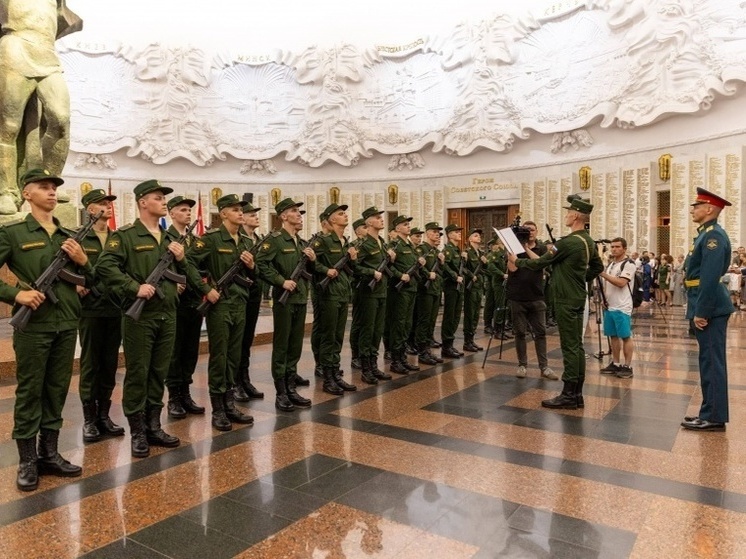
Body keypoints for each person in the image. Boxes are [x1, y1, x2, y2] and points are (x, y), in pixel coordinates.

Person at [0, 168, 91, 491]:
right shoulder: (13, 233)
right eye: (44, 187)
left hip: (67, 323)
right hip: (34, 326)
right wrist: (17, 294)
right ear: (27, 193)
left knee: (56, 390)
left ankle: (49, 453)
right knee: (30, 393)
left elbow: (92, 280)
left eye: (54, 188)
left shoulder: (68, 236)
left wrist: (83, 260)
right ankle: (27, 460)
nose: (52, 192)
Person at [96, 179, 185, 458]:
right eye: (158, 197)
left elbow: (187, 271)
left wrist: (182, 259)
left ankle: (154, 426)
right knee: (138, 373)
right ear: (143, 202)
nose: (163, 202)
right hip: (140, 316)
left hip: (167, 314)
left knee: (159, 371)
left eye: (164, 198)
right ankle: (137, 431)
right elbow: (105, 267)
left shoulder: (170, 238)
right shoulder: (124, 236)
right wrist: (134, 287)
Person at [508, 196, 603, 410]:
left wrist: (517, 260)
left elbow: (542, 262)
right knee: (576, 346)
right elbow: (597, 267)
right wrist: (579, 280)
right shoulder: (587, 241)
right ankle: (576, 393)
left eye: (569, 212)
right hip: (577, 296)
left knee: (569, 347)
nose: (566, 215)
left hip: (565, 299)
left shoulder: (568, 242)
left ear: (576, 215)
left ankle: (569, 395)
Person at [0, 0, 82, 214]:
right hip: (15, 47)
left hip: (47, 54)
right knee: (9, 125)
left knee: (60, 118)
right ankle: (7, 192)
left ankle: (47, 180)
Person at [186, 193, 255, 430]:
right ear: (223, 213)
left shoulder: (246, 242)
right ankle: (218, 409)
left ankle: (230, 404)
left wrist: (252, 267)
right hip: (220, 305)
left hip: (240, 303)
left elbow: (253, 277)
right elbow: (188, 263)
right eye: (235, 209)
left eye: (241, 210)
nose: (240, 213)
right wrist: (206, 288)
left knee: (234, 356)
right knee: (220, 356)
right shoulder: (212, 239)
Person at [255, 198, 315, 411]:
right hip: (284, 300)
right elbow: (261, 263)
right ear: (282, 216)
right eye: (294, 211)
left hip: (299, 298)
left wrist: (312, 259)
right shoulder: (276, 240)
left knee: (295, 345)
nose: (299, 215)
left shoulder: (300, 242)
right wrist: (281, 281)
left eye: (299, 212)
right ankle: (281, 393)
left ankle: (291, 388)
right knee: (282, 346)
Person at [681, 188, 733, 431]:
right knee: (707, 360)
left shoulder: (714, 237)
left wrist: (701, 311)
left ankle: (714, 416)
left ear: (709, 209)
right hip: (703, 302)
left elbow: (710, 278)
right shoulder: (705, 235)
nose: (693, 209)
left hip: (710, 307)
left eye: (697, 205)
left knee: (712, 361)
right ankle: (709, 410)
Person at [77, 187, 125, 443]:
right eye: (101, 203)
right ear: (90, 209)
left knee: (109, 364)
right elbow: (65, 267)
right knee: (90, 363)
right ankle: (89, 418)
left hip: (115, 307)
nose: (107, 206)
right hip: (91, 309)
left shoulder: (119, 238)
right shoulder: (80, 237)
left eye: (109, 202)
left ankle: (104, 415)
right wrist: (76, 284)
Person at [164, 195, 205, 419]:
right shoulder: (166, 237)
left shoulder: (195, 241)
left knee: (190, 349)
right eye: (182, 210)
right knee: (175, 350)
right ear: (171, 213)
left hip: (193, 301)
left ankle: (186, 392)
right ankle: (173, 397)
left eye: (189, 210)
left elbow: (201, 268)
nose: (188, 213)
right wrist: (173, 283)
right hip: (175, 302)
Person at [312, 203, 358, 394]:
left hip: (342, 293)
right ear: (331, 219)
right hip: (328, 294)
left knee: (338, 336)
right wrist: (325, 270)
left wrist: (353, 260)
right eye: (340, 214)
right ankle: (328, 378)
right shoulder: (322, 241)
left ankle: (336, 374)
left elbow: (351, 272)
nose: (345, 216)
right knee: (328, 336)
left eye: (345, 213)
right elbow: (311, 265)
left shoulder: (346, 243)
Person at [505, 220, 557, 380]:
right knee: (520, 333)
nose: (529, 232)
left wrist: (526, 248)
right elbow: (512, 268)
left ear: (537, 231)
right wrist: (512, 251)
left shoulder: (542, 248)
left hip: (536, 296)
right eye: (526, 230)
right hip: (517, 296)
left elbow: (540, 265)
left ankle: (544, 366)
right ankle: (522, 365)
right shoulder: (514, 248)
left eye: (532, 230)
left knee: (540, 332)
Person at [353, 207, 394, 385]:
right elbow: (355, 267)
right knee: (367, 330)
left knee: (377, 330)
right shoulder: (363, 245)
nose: (381, 220)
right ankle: (365, 368)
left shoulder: (382, 243)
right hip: (368, 293)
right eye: (377, 218)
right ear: (369, 222)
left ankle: (374, 364)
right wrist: (371, 272)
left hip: (381, 292)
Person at [235, 201, 265, 400]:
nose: (256, 217)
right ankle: (236, 381)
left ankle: (245, 378)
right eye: (251, 214)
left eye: (256, 214)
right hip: (240, 292)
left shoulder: (260, 239)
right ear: (243, 218)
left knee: (247, 339)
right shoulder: (239, 239)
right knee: (238, 339)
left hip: (255, 292)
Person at [387, 215, 425, 374]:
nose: (408, 226)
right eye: (405, 224)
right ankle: (396, 360)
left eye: (409, 224)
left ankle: (402, 357)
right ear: (397, 229)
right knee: (399, 323)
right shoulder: (394, 245)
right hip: (400, 290)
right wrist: (399, 275)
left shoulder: (410, 245)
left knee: (407, 324)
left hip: (411, 288)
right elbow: (387, 266)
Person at [598, 237, 635, 379]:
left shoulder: (628, 264)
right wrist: (604, 299)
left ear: (624, 249)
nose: (614, 249)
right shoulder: (612, 264)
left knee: (625, 336)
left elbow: (621, 283)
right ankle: (616, 362)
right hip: (610, 305)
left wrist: (604, 274)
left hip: (622, 305)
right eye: (612, 247)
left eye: (617, 247)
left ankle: (627, 366)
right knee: (613, 336)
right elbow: (607, 284)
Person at [414, 222, 445, 365]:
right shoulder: (421, 249)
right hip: (425, 290)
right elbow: (418, 267)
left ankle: (428, 349)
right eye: (433, 231)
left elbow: (440, 273)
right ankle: (422, 352)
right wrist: (427, 274)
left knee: (431, 321)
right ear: (427, 233)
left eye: (438, 232)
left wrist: (442, 263)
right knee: (424, 321)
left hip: (435, 289)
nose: (436, 234)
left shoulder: (434, 251)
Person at [440, 224, 465, 359]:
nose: (459, 234)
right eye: (456, 232)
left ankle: (450, 343)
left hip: (458, 286)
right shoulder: (448, 250)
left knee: (456, 315)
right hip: (451, 286)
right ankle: (446, 346)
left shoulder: (457, 250)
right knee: (450, 316)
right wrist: (455, 277)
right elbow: (445, 266)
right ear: (449, 235)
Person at [462, 228, 486, 352]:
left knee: (476, 314)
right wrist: (472, 276)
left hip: (478, 287)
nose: (479, 237)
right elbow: (463, 269)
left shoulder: (480, 254)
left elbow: (484, 270)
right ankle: (467, 341)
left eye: (479, 236)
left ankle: (472, 339)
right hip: (470, 287)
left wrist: (485, 263)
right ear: (470, 239)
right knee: (470, 314)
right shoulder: (467, 252)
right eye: (476, 235)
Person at [348, 217, 368, 372]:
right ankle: (355, 355)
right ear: (357, 230)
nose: (366, 228)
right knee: (358, 322)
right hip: (359, 286)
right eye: (363, 226)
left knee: (367, 324)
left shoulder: (370, 243)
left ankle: (364, 354)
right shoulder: (354, 246)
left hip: (369, 287)